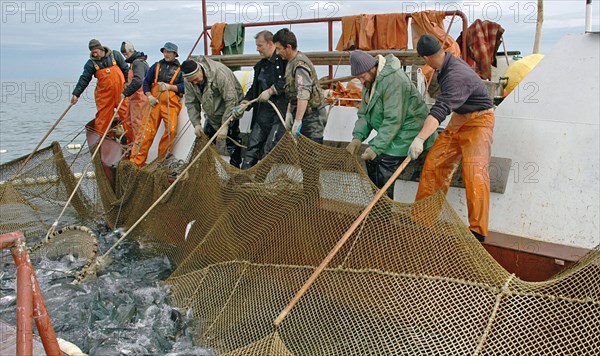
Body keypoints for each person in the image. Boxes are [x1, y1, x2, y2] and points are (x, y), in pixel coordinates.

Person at [408, 34, 495, 242]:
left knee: (475, 172)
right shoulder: (444, 66)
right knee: (435, 163)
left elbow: (440, 109)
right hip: (459, 119)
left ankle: (478, 230)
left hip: (480, 121)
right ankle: (422, 219)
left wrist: (420, 138)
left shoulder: (456, 75)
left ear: (426, 58)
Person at [345, 50, 437, 199]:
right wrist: (357, 137)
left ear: (373, 68)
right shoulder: (369, 83)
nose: (361, 81)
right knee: (371, 161)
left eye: (362, 77)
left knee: (382, 162)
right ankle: (378, 206)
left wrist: (376, 147)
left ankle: (384, 212)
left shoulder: (393, 79)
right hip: (395, 133)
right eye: (358, 78)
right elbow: (364, 114)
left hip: (410, 131)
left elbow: (393, 119)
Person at [181, 56, 244, 168]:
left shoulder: (219, 73)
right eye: (192, 81)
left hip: (230, 112)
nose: (195, 83)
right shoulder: (189, 81)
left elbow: (231, 100)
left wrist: (225, 125)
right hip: (211, 115)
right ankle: (209, 174)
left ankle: (236, 174)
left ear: (201, 70)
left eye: (196, 79)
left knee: (232, 144)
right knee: (206, 146)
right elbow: (191, 103)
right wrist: (196, 124)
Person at [130, 42, 184, 168]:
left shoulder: (180, 70)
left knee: (171, 131)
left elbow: (184, 86)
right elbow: (146, 83)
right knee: (146, 132)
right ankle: (136, 163)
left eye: (169, 52)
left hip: (171, 105)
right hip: (154, 103)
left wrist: (170, 87)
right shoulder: (156, 66)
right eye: (165, 51)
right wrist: (149, 96)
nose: (166, 54)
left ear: (175, 54)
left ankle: (162, 161)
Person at [239, 30, 288, 169]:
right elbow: (254, 89)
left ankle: (259, 184)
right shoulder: (260, 66)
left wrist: (272, 90)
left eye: (260, 45)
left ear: (270, 43)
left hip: (280, 115)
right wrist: (245, 103)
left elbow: (288, 83)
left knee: (269, 151)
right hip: (262, 115)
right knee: (252, 148)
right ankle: (243, 180)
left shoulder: (284, 62)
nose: (257, 49)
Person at [272, 28, 326, 143]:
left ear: (288, 47)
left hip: (312, 117)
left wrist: (298, 120)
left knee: (312, 154)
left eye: (279, 49)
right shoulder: (290, 63)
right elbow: (291, 92)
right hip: (301, 113)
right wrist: (288, 112)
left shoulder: (300, 65)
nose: (277, 52)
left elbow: (303, 94)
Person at [71, 39, 129, 137]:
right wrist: (76, 94)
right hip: (104, 96)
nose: (94, 55)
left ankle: (131, 139)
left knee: (127, 115)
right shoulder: (91, 64)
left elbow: (126, 69)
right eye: (92, 53)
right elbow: (84, 79)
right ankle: (103, 142)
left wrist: (128, 83)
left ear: (101, 49)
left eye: (95, 52)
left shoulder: (115, 55)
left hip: (121, 93)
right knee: (103, 118)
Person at [120, 41, 149, 144]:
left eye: (126, 54)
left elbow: (138, 80)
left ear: (131, 51)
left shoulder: (138, 63)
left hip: (140, 99)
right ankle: (132, 145)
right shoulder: (133, 63)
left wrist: (125, 92)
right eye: (123, 54)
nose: (125, 56)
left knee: (138, 124)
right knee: (128, 122)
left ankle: (139, 150)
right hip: (133, 99)